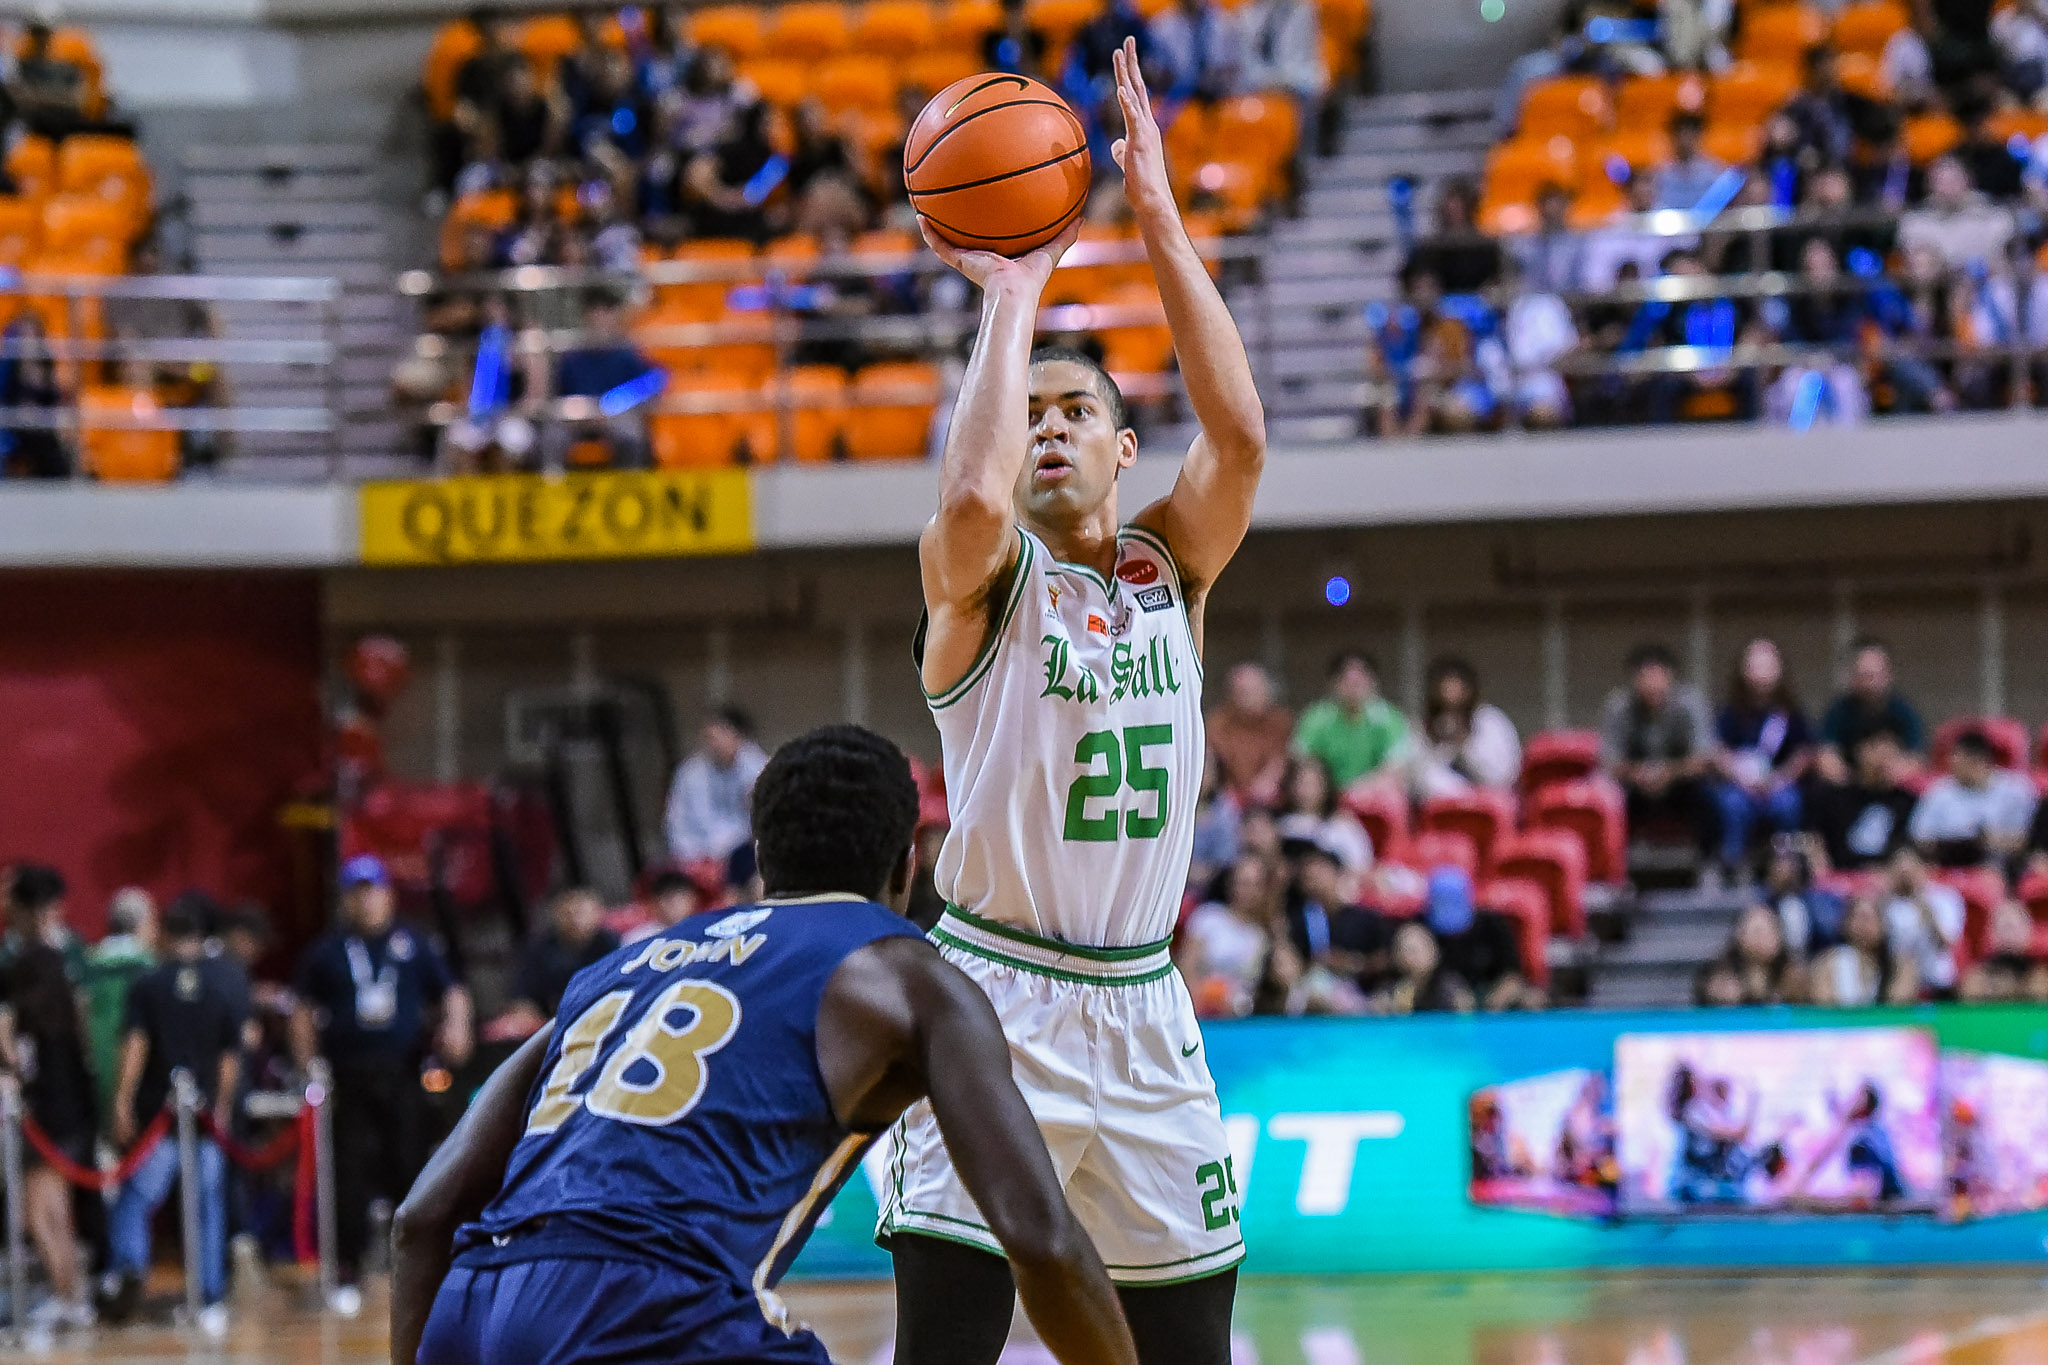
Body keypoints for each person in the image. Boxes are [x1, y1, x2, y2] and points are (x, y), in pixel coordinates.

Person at [886, 41, 1264, 1365]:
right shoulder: (981, 585)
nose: (1047, 426)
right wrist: (1015, 288)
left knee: (1186, 1351)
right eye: (1031, 411)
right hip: (992, 998)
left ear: (1122, 449)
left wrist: (1156, 214)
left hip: (1147, 1006)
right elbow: (971, 496)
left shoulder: (1171, 571)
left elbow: (1241, 440)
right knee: (946, 1348)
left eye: (1075, 412)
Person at [393, 726, 1140, 1365]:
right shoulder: (903, 974)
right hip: (647, 1307)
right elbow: (1040, 1239)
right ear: (907, 864)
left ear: (760, 853)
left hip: (473, 1304)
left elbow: (423, 1216)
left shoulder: (616, 968)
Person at [292, 855, 472, 1301]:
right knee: (348, 1174)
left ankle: (415, 1264)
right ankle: (348, 1268)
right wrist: (307, 1063)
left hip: (403, 1074)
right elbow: (303, 1008)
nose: (366, 902)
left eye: (372, 892)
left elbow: (451, 991)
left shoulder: (413, 943)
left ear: (387, 896)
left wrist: (456, 1029)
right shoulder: (328, 950)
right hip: (349, 1076)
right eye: (357, 894)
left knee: (410, 1167)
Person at [104, 896, 248, 1334]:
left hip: (159, 1114)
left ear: (166, 934)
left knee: (137, 1198)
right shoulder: (222, 982)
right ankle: (209, 1293)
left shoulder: (149, 984)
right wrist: (222, 1108)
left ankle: (129, 1267)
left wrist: (122, 1100)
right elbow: (229, 1057)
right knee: (207, 1206)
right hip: (204, 1115)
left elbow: (136, 1044)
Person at [0, 930, 97, 1332]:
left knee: (39, 1217)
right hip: (72, 1127)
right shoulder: (69, 1020)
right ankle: (72, 1297)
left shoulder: (32, 1026)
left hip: (45, 1129)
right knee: (57, 1215)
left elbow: (20, 1068)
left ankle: (64, 1296)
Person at [1600, 643, 1717, 861]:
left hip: (1681, 783)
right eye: (1645, 678)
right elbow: (1609, 762)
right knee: (1609, 795)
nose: (1652, 685)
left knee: (1711, 794)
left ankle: (1708, 861)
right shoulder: (1619, 707)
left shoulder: (1690, 704)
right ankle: (1618, 863)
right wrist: (1638, 774)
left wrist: (1668, 773)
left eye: (1658, 677)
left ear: (1671, 677)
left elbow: (1704, 758)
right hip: (1635, 785)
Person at [1711, 638, 1813, 876]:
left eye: (1767, 666)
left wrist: (1780, 779)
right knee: (1731, 804)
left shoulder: (1791, 714)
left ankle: (1787, 867)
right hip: (1741, 786)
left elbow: (1804, 754)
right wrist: (1741, 779)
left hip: (1778, 785)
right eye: (1755, 666)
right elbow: (1718, 751)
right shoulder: (1730, 712)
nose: (1761, 674)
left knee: (1789, 803)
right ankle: (1732, 867)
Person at [1175, 855, 1288, 1018]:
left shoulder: (1262, 933)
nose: (1249, 891)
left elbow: (1279, 977)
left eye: (1256, 885)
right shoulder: (1208, 917)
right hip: (1202, 1008)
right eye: (1244, 883)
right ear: (1231, 884)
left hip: (1243, 1013)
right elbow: (1187, 967)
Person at [1908, 728, 2038, 868]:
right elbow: (1919, 837)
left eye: (1958, 759)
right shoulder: (1938, 791)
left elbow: (2024, 841)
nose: (1952, 765)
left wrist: (1986, 841)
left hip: (1997, 866)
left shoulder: (2015, 790)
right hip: (1943, 864)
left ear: (1978, 760)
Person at [82, 887, 157, 1118]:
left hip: (97, 1052)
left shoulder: (90, 961)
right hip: (140, 1058)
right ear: (142, 924)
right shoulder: (151, 967)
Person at [664, 705, 770, 865]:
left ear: (736, 735)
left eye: (719, 736)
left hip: (746, 851)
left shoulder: (754, 761)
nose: (714, 745)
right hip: (699, 856)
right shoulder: (691, 773)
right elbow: (678, 824)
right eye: (709, 738)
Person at [1292, 651, 1411, 793]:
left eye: (1359, 680)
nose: (1353, 686)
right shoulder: (1317, 717)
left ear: (1373, 682)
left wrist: (1356, 791)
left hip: (1372, 792)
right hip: (1329, 794)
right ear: (1333, 684)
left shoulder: (1388, 718)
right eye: (1346, 680)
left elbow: (1397, 765)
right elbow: (1300, 756)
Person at [1425, 867, 1537, 1011]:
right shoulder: (1424, 930)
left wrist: (1495, 1001)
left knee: (1531, 1000)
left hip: (1492, 999)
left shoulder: (1494, 925)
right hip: (1445, 1003)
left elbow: (1512, 974)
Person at [1816, 637, 1926, 783]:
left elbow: (1917, 758)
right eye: (1865, 675)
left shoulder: (1904, 712)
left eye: (1877, 674)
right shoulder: (1838, 712)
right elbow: (1826, 756)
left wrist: (1889, 769)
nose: (1871, 682)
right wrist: (1854, 777)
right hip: (1850, 786)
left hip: (1893, 786)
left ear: (1889, 674)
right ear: (1852, 675)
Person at [1413, 656, 1521, 800]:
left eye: (1456, 685)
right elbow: (1420, 776)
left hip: (1489, 797)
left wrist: (1465, 742)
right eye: (1445, 686)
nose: (1450, 691)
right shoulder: (1428, 725)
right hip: (1443, 802)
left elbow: (1504, 775)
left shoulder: (1490, 720)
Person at [507, 887, 621, 1024]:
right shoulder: (538, 950)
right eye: (567, 914)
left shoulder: (613, 943)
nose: (575, 921)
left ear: (597, 912)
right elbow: (522, 1000)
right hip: (554, 1023)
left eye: (580, 913)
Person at [1205, 660, 1293, 807]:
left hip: (1271, 801)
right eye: (1243, 693)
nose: (1249, 698)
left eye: (1255, 691)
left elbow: (1284, 756)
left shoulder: (1280, 722)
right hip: (1227, 801)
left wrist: (1270, 777)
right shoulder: (1218, 724)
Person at [1273, 754, 1374, 882]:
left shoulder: (1343, 826)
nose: (1306, 790)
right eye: (1301, 782)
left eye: (1313, 783)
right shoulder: (1277, 826)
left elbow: (1361, 867)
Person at [1880, 847, 1965, 997]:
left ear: (1923, 867)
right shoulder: (1886, 904)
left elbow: (1948, 941)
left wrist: (1922, 903)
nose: (1906, 877)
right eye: (1900, 871)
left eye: (1910, 869)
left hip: (1938, 981)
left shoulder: (1945, 897)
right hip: (1897, 979)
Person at [1372, 921, 1474, 1014]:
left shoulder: (1451, 986)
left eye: (1416, 950)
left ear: (1434, 950)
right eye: (1405, 949)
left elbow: (1465, 1014)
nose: (1410, 956)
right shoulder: (1390, 991)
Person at [1719, 901, 1807, 1005]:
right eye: (1756, 931)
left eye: (1767, 930)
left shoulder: (1794, 977)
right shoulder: (1722, 976)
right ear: (1739, 935)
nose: (1760, 939)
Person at [1654, 111, 1728, 212]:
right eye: (1681, 132)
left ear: (1700, 135)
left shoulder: (1716, 171)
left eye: (1692, 133)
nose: (1685, 139)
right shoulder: (1660, 173)